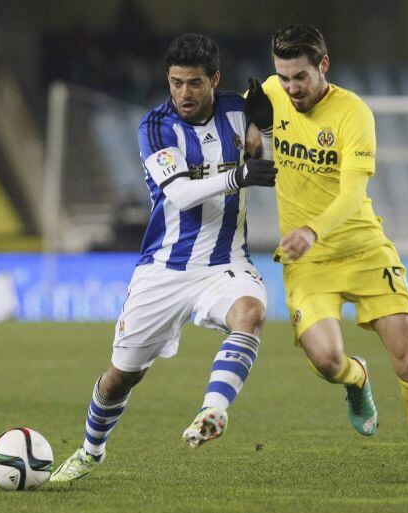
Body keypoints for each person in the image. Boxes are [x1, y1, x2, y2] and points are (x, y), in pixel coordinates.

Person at [50, 33, 278, 482]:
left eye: (194, 83)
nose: (183, 94)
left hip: (225, 261)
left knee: (250, 314)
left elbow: (267, 169)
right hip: (164, 270)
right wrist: (240, 174)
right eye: (175, 83)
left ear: (214, 79)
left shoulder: (237, 110)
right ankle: (90, 451)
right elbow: (181, 193)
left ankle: (212, 411)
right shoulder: (155, 127)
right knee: (121, 376)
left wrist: (265, 135)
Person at [244, 24, 408, 485]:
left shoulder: (353, 113)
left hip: (362, 249)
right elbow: (248, 123)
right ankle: (356, 379)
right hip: (308, 262)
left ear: (323, 66)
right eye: (283, 77)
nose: (291, 88)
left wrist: (312, 229)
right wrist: (250, 136)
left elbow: (352, 192)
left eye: (300, 77)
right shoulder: (269, 93)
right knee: (326, 361)